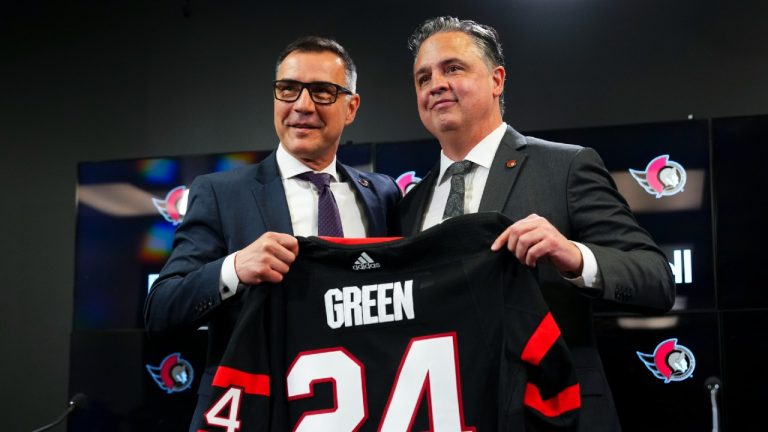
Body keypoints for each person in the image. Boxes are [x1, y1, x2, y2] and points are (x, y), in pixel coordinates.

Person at [398, 16, 675, 431]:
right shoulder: (410, 204)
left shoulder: (565, 166)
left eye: (452, 68)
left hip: (554, 414)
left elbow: (656, 279)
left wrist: (573, 256)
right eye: (423, 77)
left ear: (497, 80)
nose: (434, 83)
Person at [144, 36, 401, 431]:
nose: (302, 105)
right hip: (252, 411)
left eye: (322, 92)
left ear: (351, 107)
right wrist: (233, 269)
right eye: (288, 89)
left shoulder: (382, 194)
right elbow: (161, 309)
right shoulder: (220, 192)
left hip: (362, 408)